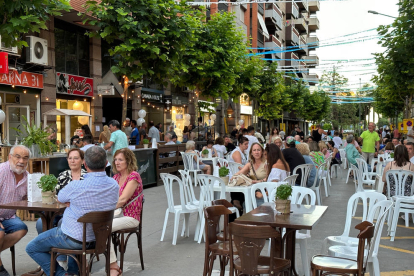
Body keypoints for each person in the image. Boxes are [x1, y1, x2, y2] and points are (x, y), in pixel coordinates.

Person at [26, 147, 119, 276]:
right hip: (98, 238)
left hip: (72, 238)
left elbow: (61, 197)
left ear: (84, 164)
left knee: (31, 248)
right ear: (105, 164)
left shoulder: (76, 186)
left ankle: (61, 274)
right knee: (67, 230)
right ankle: (73, 272)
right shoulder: (114, 185)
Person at [35, 149, 87, 235]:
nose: (72, 161)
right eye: (70, 158)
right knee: (41, 223)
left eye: (76, 158)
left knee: (62, 223)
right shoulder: (63, 175)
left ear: (82, 161)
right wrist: (61, 201)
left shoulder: (86, 177)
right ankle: (48, 247)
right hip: (58, 211)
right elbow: (55, 194)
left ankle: (58, 246)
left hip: (76, 213)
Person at [109, 148, 143, 276]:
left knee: (103, 227)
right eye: (116, 160)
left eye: (120, 160)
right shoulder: (115, 177)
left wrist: (106, 208)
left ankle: (114, 267)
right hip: (116, 216)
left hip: (131, 216)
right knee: (95, 226)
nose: (117, 162)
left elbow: (122, 200)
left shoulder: (134, 176)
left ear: (128, 161)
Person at [0, 145, 31, 276]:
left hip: (9, 217)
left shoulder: (27, 176)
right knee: (0, 234)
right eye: (18, 157)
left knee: (22, 229)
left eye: (25, 158)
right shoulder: (1, 171)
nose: (21, 161)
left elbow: (27, 198)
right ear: (10, 157)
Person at [231, 143, 267, 212]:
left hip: (261, 187)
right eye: (254, 150)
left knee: (236, 199)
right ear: (251, 153)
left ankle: (237, 207)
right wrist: (235, 177)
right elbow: (238, 173)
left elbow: (269, 178)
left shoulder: (265, 163)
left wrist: (259, 181)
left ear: (262, 152)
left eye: (258, 150)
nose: (256, 152)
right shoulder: (250, 164)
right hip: (251, 187)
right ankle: (237, 205)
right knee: (235, 189)